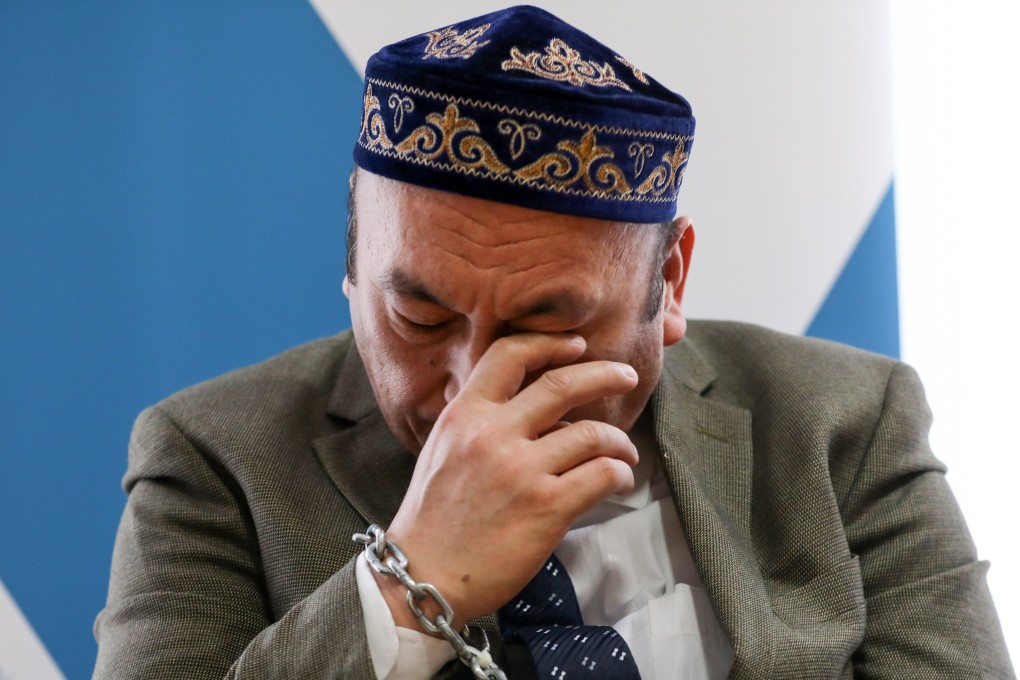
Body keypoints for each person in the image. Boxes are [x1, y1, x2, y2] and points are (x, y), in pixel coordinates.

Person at [93, 5, 1014, 679]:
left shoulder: (844, 420)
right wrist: (410, 582)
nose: (472, 385)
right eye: (419, 318)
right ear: (349, 262)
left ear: (672, 283)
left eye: (548, 326)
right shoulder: (212, 456)